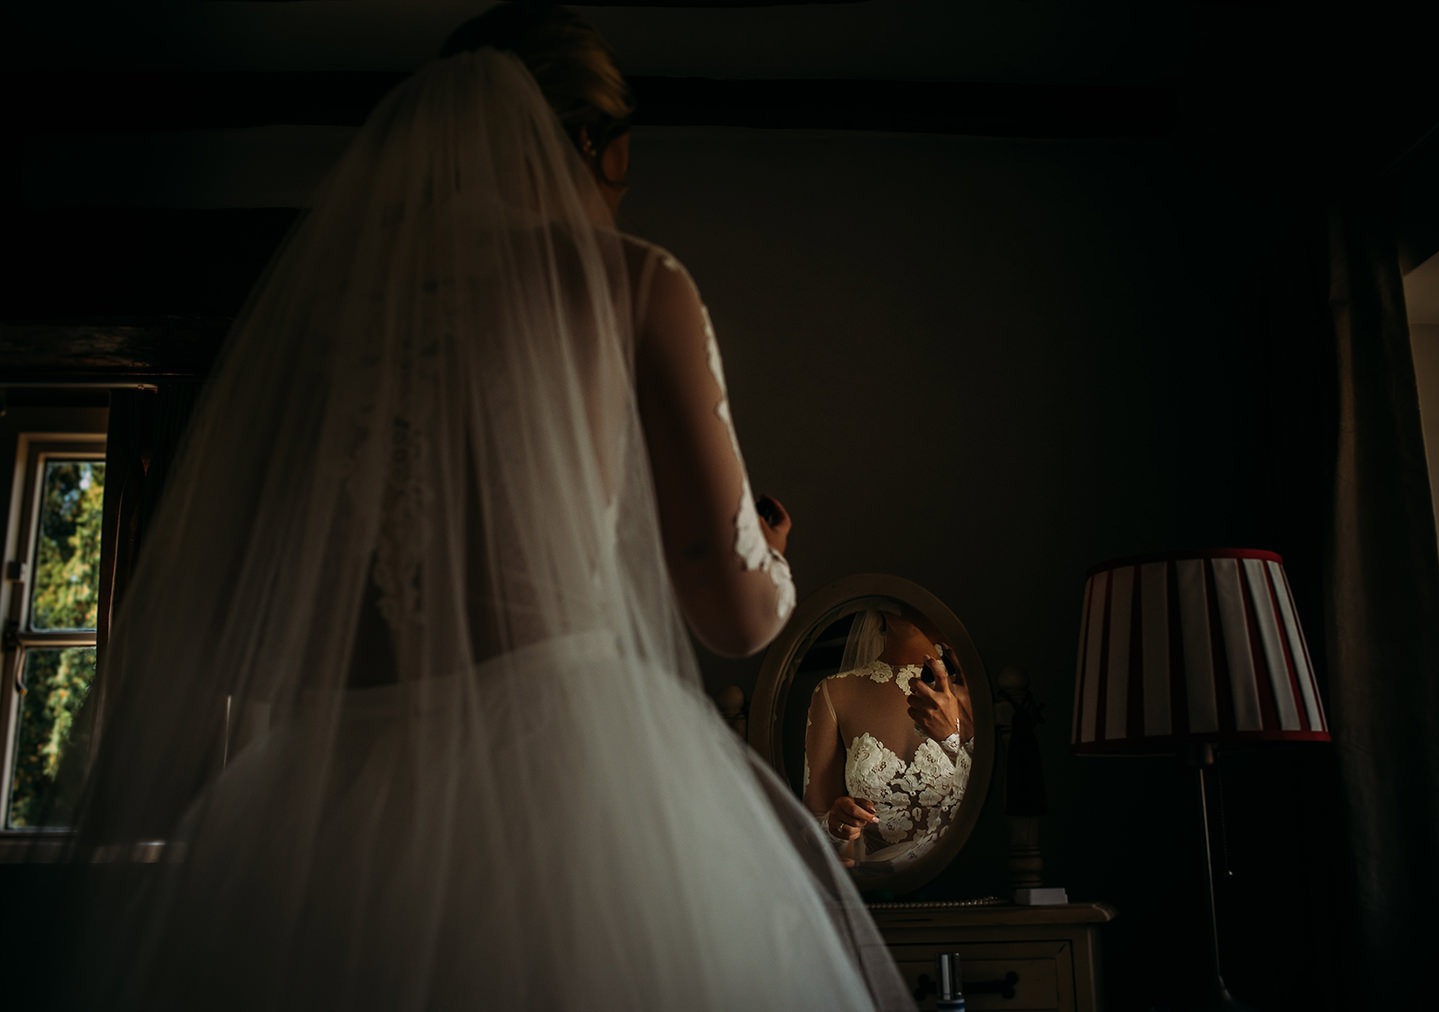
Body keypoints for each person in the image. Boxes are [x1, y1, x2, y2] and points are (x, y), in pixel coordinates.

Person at [53, 5, 913, 1010]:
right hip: (560, 785)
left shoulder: (328, 321)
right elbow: (735, 613)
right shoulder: (633, 282)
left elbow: (251, 600)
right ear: (603, 144)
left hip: (323, 802)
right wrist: (769, 554)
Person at [804, 608, 976, 870]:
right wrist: (837, 824)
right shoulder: (836, 692)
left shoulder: (973, 692)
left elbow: (992, 801)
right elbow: (815, 829)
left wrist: (953, 738)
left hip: (965, 881)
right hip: (880, 891)